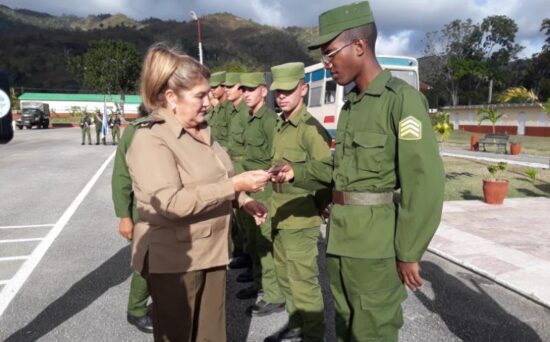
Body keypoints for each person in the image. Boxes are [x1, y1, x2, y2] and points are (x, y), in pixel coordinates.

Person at [274, 2, 445, 341]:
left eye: (330, 53)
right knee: (345, 326)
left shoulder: (401, 100)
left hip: (375, 246)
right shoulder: (352, 105)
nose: (327, 63)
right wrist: (297, 172)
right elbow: (341, 167)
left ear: (359, 46)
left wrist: (409, 251)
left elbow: (424, 182)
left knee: (373, 331)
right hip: (341, 240)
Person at [126, 43, 270, 342]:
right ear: (171, 97)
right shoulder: (151, 139)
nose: (209, 102)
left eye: (208, 94)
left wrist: (242, 200)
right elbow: (170, 202)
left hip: (213, 252)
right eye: (200, 95)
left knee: (211, 336)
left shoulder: (202, 131)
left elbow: (219, 177)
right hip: (176, 261)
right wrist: (234, 187)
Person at [267, 62, 332, 342]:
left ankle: (314, 335)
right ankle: (296, 325)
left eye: (288, 91)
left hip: (302, 219)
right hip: (279, 213)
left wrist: (323, 207)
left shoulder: (310, 130)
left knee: (303, 283)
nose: (281, 96)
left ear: (303, 90)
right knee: (284, 278)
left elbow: (327, 173)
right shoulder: (281, 124)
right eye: (277, 91)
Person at [237, 72, 285, 316]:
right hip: (248, 188)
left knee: (265, 244)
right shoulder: (249, 118)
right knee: (253, 243)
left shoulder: (268, 120)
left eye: (251, 89)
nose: (246, 94)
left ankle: (275, 295)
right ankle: (259, 285)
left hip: (264, 190)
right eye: (243, 89)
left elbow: (278, 158)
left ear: (264, 91)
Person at [111, 103, 155, 333]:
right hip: (145, 212)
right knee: (146, 263)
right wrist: (124, 216)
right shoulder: (136, 131)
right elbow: (121, 177)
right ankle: (136, 310)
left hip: (175, 211)